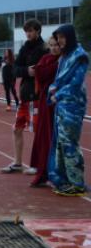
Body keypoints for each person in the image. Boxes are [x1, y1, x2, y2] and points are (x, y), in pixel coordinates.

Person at [0, 19, 47, 173]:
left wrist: (36, 72)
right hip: (24, 95)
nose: (28, 33)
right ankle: (18, 163)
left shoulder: (44, 48)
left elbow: (47, 70)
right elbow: (15, 69)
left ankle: (38, 164)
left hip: (37, 96)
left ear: (38, 31)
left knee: (36, 131)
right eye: (26, 31)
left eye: (31, 30)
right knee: (17, 129)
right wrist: (27, 71)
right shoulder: (25, 47)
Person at [47, 24, 88, 196]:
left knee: (70, 143)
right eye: (58, 38)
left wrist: (58, 94)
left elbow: (75, 83)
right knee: (61, 144)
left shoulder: (79, 56)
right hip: (62, 106)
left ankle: (77, 183)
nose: (60, 41)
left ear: (70, 37)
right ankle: (65, 180)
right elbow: (58, 79)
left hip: (72, 106)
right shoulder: (65, 56)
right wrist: (53, 87)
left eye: (63, 37)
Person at [28, 37, 60, 187]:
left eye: (57, 45)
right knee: (44, 135)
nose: (54, 48)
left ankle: (56, 172)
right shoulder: (46, 58)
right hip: (45, 102)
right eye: (51, 45)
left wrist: (43, 70)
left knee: (56, 136)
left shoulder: (65, 59)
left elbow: (42, 72)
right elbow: (39, 74)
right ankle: (43, 170)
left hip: (59, 102)